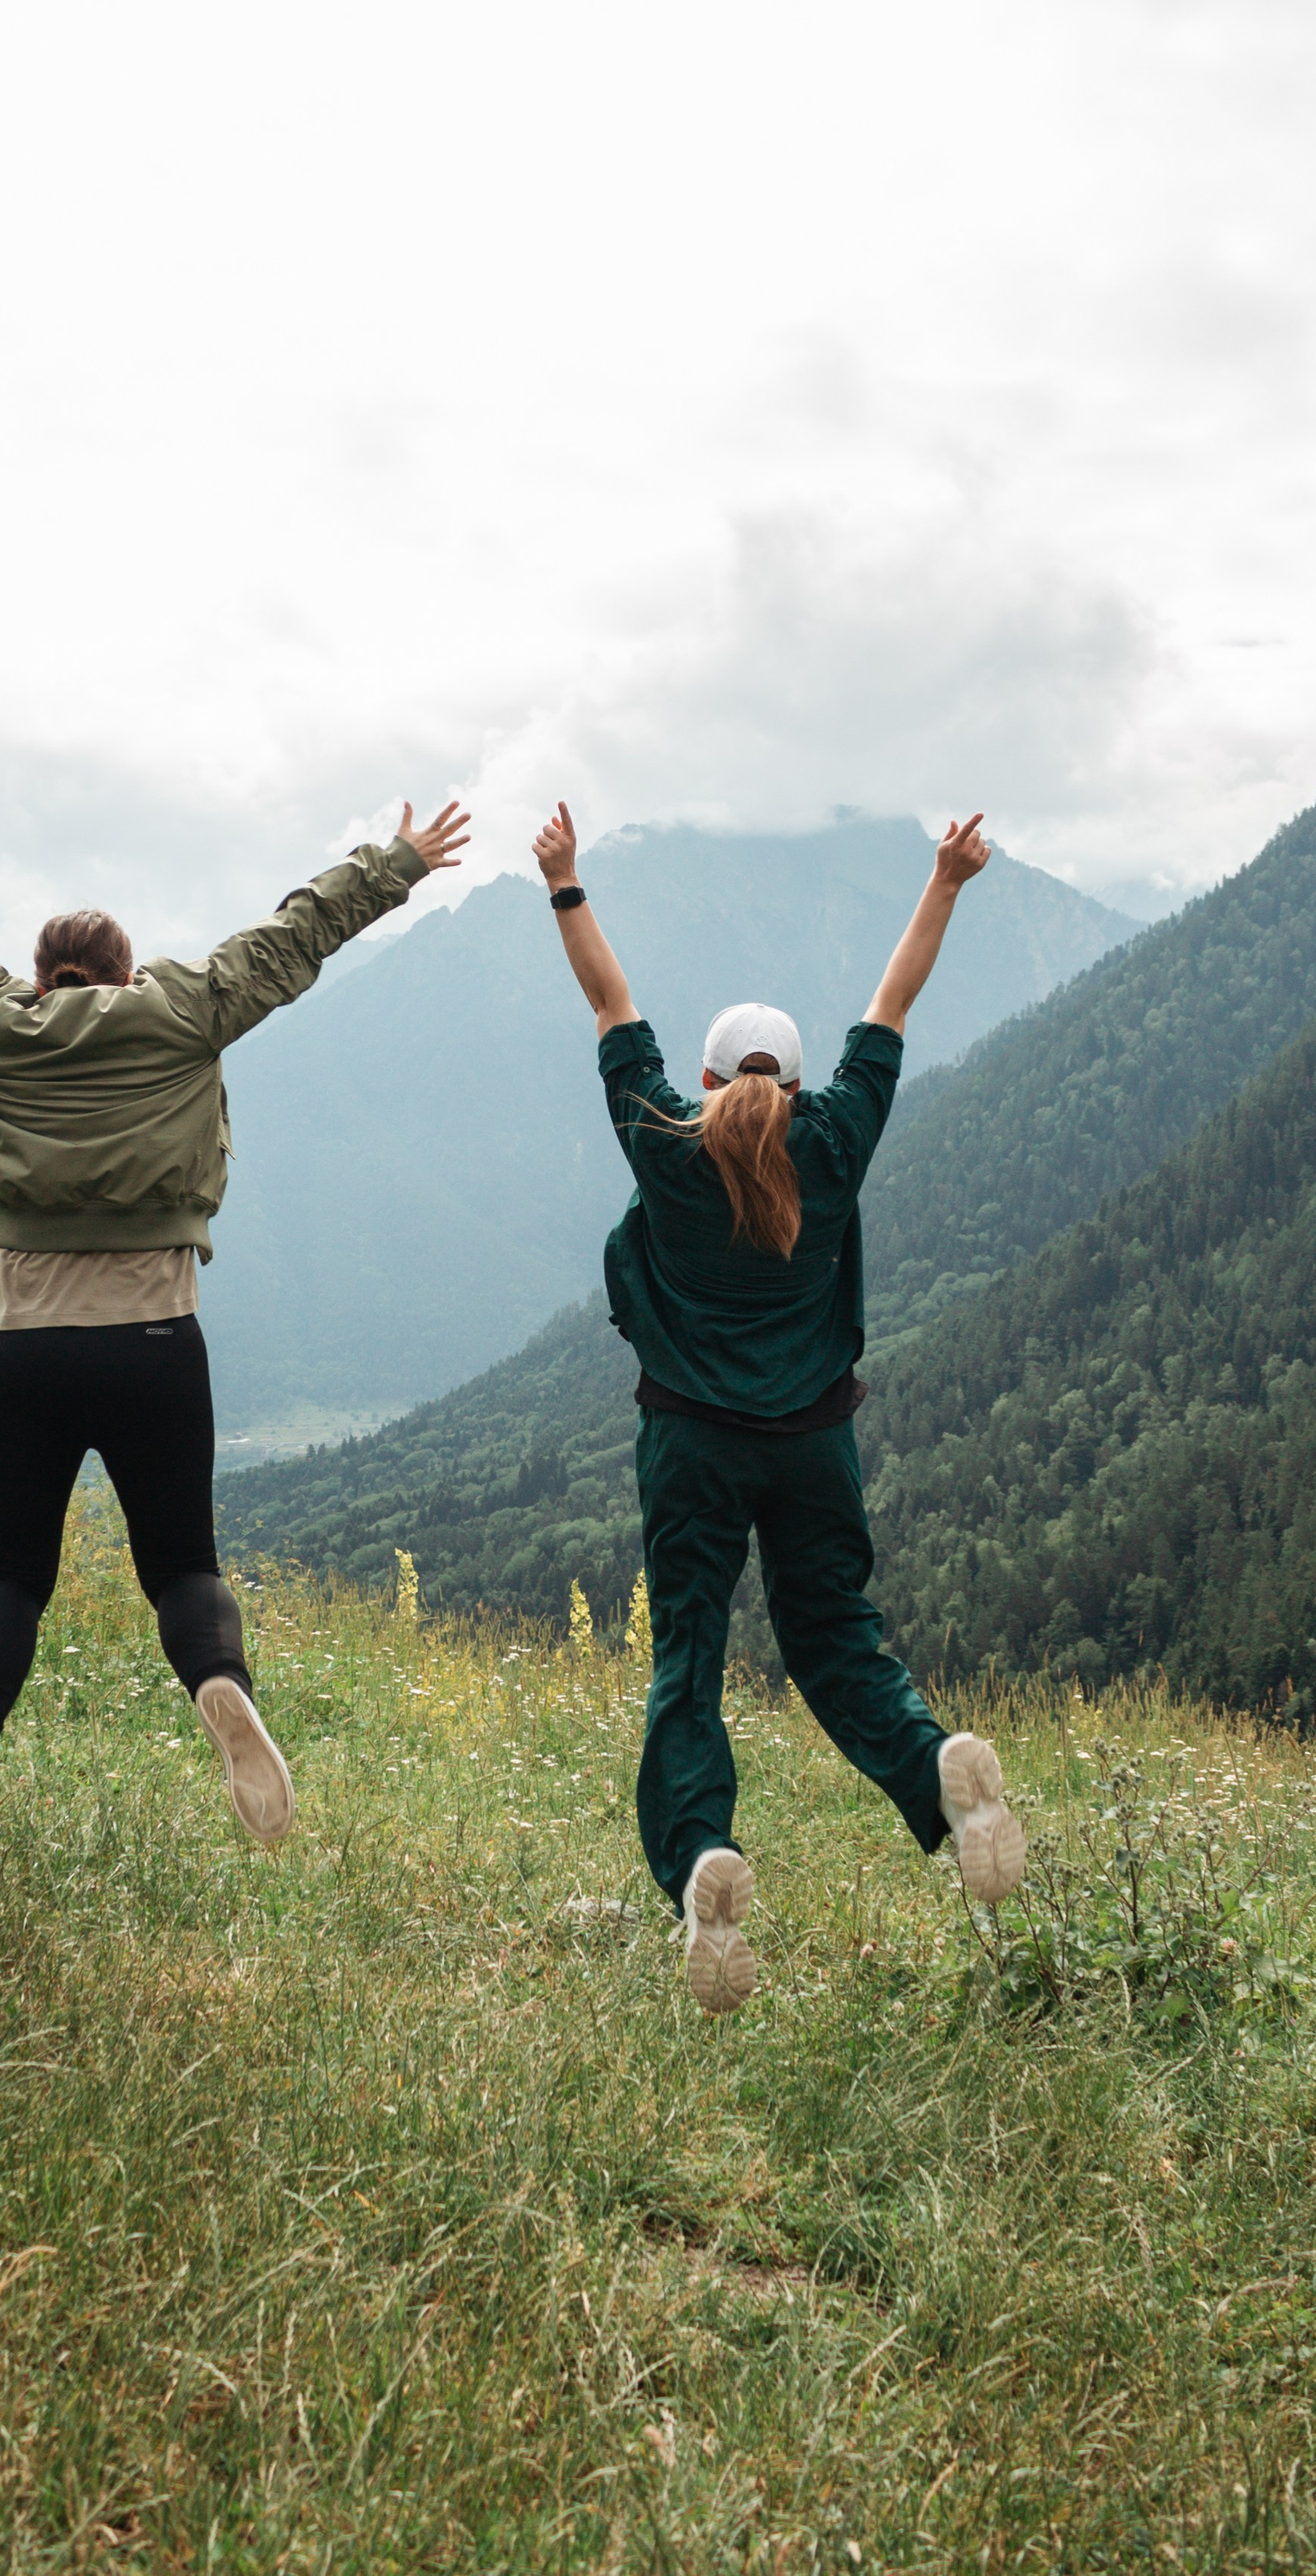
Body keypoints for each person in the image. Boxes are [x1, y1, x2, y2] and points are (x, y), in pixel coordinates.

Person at [0, 783, 472, 1910]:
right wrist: (401, 860)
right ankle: (220, 1689)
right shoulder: (182, 1012)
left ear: (41, 978)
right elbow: (296, 934)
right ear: (126, 973)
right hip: (154, 1337)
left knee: (13, 1578)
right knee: (182, 1568)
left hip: (23, 1346)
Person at [531, 799, 1026, 2013]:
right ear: (801, 1087)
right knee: (835, 1639)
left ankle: (702, 1857)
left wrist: (565, 882)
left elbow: (609, 1005)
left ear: (703, 1079)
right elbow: (892, 1003)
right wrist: (947, 880)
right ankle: (939, 1771)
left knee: (689, 1662)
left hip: (691, 1447)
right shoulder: (839, 1137)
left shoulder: (663, 1133)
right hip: (815, 1444)